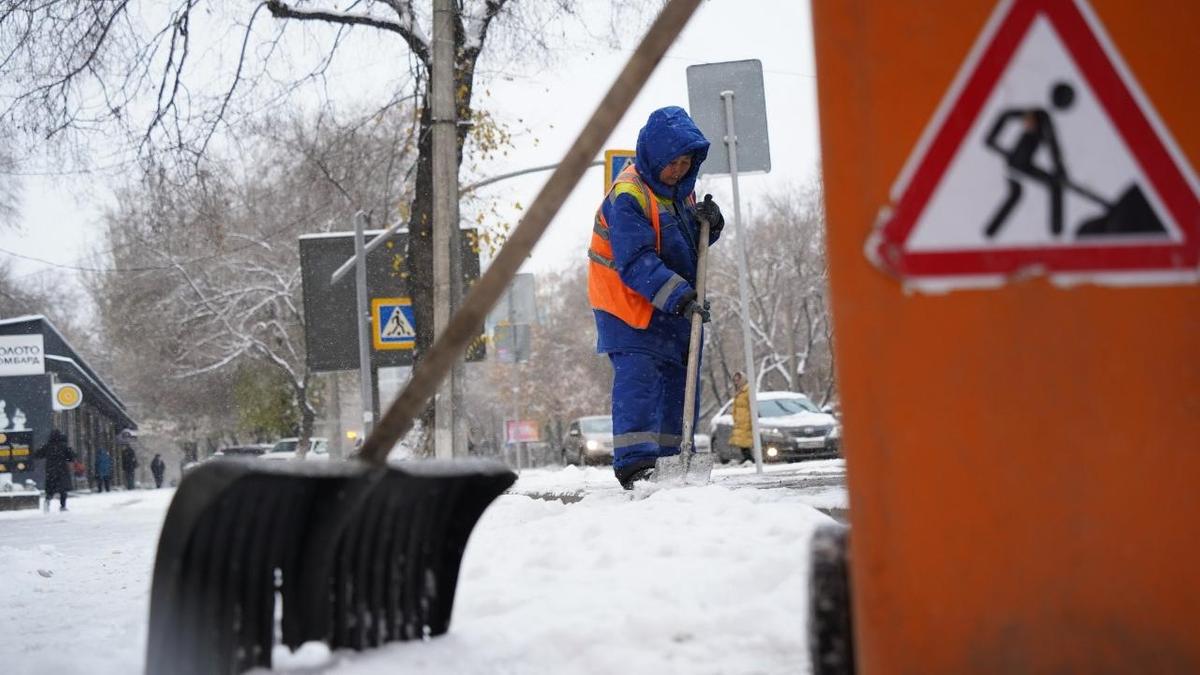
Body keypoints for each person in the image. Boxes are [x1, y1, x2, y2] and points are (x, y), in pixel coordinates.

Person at [588, 106, 725, 489]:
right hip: (627, 306)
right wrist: (680, 296)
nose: (678, 170)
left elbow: (681, 244)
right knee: (642, 380)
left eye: (685, 162)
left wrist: (709, 224)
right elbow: (636, 260)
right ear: (654, 155)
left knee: (680, 382)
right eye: (672, 163)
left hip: (670, 305)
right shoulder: (628, 195)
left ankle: (671, 461)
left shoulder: (680, 192)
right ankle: (636, 465)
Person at [35, 429, 75, 511]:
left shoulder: (47, 446)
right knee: (63, 490)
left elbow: (38, 454)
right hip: (62, 471)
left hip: (51, 471)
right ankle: (63, 506)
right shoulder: (63, 446)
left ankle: (47, 500)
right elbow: (71, 457)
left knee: (50, 488)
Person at [730, 372, 754, 463]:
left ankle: (749, 458)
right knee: (741, 441)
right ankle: (747, 458)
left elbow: (751, 405)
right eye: (735, 380)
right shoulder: (738, 391)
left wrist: (750, 419)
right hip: (739, 420)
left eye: (738, 380)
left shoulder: (747, 391)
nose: (736, 382)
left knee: (745, 441)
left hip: (746, 420)